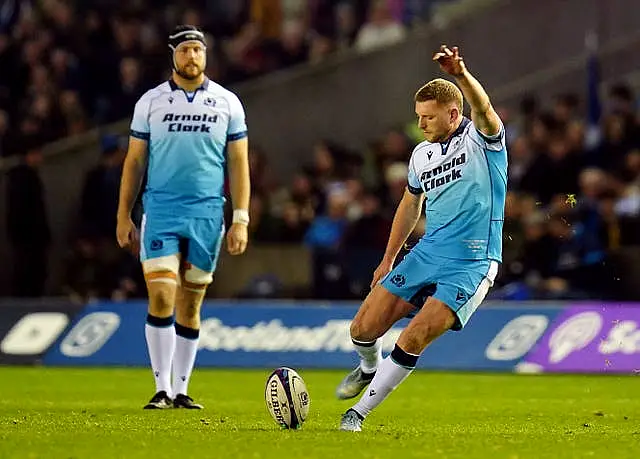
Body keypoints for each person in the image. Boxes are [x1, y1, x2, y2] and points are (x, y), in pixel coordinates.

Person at [337, 45, 508, 431]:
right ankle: (369, 367)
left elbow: (482, 107)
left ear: (453, 113)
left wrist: (461, 74)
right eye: (418, 117)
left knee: (415, 335)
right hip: (427, 251)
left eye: (428, 117)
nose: (422, 124)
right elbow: (409, 206)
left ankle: (357, 414)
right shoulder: (420, 155)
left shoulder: (484, 139)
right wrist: (388, 258)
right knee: (362, 330)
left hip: (473, 262)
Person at [116, 25, 250, 410]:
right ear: (172, 55)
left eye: (198, 50)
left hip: (208, 212)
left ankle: (181, 389)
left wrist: (240, 217)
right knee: (161, 294)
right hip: (160, 210)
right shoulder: (151, 102)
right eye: (185, 50)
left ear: (206, 55)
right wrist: (124, 215)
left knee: (191, 304)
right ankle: (161, 388)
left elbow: (239, 165)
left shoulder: (227, 103)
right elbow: (134, 161)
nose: (192, 56)